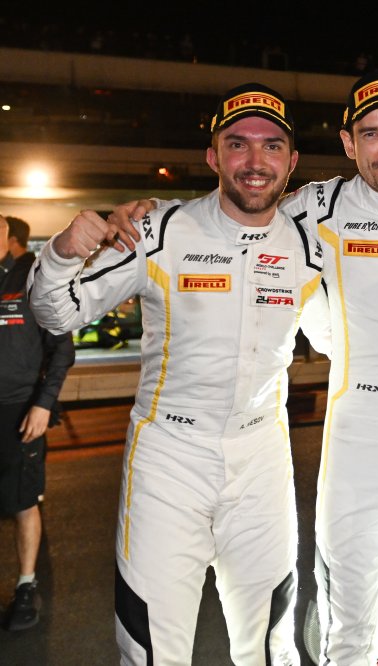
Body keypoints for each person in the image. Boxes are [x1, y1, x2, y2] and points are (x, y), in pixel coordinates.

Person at [106, 72, 378, 666]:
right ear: (348, 143)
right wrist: (152, 212)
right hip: (357, 425)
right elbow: (238, 216)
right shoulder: (313, 209)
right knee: (347, 631)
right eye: (371, 134)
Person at [28, 82, 330, 665]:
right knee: (151, 651)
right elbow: (56, 313)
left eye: (271, 146)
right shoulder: (160, 230)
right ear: (213, 157)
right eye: (237, 144)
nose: (255, 160)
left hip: (263, 458)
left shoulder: (310, 243)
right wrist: (63, 252)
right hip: (169, 459)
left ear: (292, 161)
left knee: (272, 647)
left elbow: (354, 327)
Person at [0, 215, 75, 632]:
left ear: (6, 235)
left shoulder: (32, 278)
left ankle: (26, 585)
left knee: (23, 502)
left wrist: (44, 405)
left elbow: (62, 349)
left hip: (19, 411)